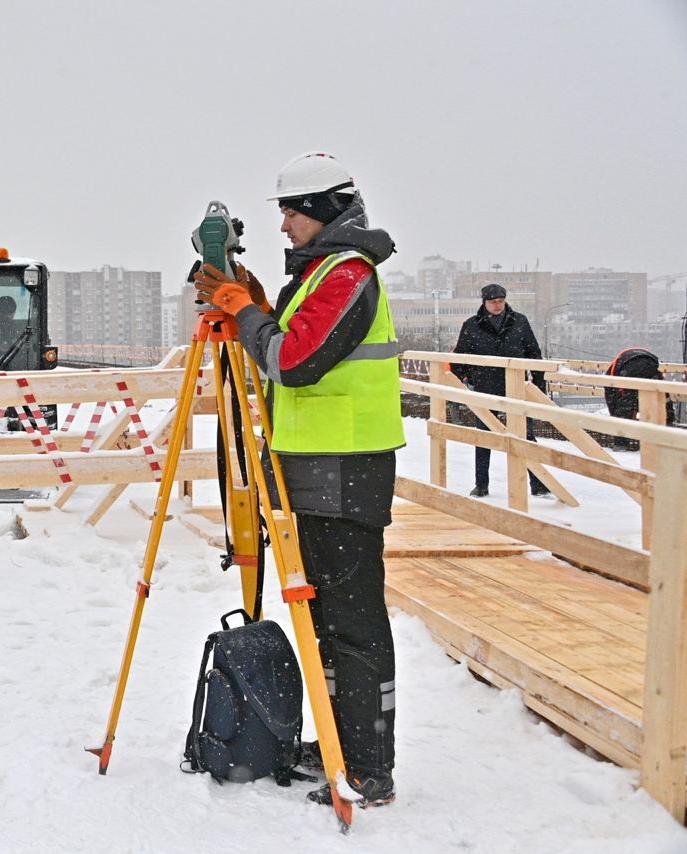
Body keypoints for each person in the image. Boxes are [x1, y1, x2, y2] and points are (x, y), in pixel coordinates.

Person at [193, 151, 402, 808]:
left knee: (352, 628)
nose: (282, 224)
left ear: (320, 211)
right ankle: (341, 744)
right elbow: (283, 338)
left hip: (345, 476)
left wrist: (244, 313)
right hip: (317, 473)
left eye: (289, 211)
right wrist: (252, 303)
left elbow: (292, 358)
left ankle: (367, 767)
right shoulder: (318, 276)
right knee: (325, 625)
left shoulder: (345, 276)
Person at [451, 283, 550, 498]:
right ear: (484, 303)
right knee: (484, 437)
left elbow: (534, 353)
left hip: (516, 387)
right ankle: (481, 484)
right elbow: (459, 357)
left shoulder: (519, 322)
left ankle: (538, 484)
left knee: (526, 436)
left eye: (501, 301)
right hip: (485, 388)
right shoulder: (472, 326)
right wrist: (463, 382)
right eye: (493, 302)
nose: (498, 305)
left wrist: (538, 385)